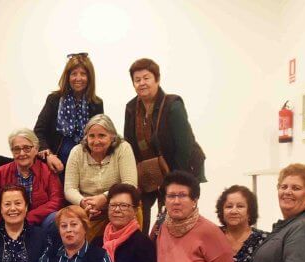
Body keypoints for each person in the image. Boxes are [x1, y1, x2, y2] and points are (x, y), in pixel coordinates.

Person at [123, 58, 205, 233]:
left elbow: (184, 146)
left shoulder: (173, 105)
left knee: (173, 215)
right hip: (148, 170)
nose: (142, 83)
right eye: (137, 80)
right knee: (138, 208)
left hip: (177, 165)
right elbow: (129, 144)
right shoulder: (131, 107)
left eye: (146, 78)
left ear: (157, 79)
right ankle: (142, 244)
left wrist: (176, 180)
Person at [64, 115, 139, 236]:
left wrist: (105, 198)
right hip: (88, 210)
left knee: (133, 208)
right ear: (86, 137)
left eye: (102, 135)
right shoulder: (77, 152)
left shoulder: (123, 148)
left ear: (112, 136)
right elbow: (69, 189)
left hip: (117, 205)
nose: (96, 141)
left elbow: (130, 184)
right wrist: (84, 203)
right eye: (91, 136)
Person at [33, 52, 104, 174]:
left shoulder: (96, 103)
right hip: (54, 165)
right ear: (67, 77)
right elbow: (38, 132)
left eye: (83, 74)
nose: (78, 78)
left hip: (84, 166)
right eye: (74, 74)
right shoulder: (54, 99)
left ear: (89, 77)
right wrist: (49, 155)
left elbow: (99, 135)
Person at [0, 129, 64, 229]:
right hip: (11, 224)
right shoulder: (0, 173)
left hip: (41, 222)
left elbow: (57, 201)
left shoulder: (48, 170)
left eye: (27, 148)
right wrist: (1, 229)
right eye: (16, 149)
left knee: (54, 218)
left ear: (36, 149)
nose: (22, 153)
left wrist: (27, 218)